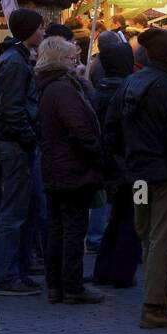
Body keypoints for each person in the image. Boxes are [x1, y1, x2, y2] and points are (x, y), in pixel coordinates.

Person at [108, 27, 167, 328]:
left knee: (147, 235)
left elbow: (111, 131)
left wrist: (126, 163)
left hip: (137, 176)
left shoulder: (129, 84)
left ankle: (158, 299)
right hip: (166, 177)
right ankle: (153, 307)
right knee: (162, 238)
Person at [34, 37, 106, 304]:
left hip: (57, 166)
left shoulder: (51, 87)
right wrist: (94, 153)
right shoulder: (61, 89)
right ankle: (72, 286)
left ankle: (57, 285)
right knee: (73, 228)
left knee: (58, 228)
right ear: (60, 60)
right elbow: (79, 128)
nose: (75, 62)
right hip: (72, 168)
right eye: (71, 58)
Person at [0, 8, 45, 297]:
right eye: (39, 28)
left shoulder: (15, 58)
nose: (43, 32)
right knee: (13, 213)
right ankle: (8, 275)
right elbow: (12, 109)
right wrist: (28, 136)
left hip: (18, 142)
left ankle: (17, 272)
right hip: (15, 144)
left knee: (20, 210)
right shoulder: (15, 62)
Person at [91, 41, 143, 288]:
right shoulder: (127, 90)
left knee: (116, 219)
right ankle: (122, 271)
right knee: (133, 217)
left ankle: (104, 269)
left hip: (108, 167)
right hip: (130, 168)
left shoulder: (96, 90)